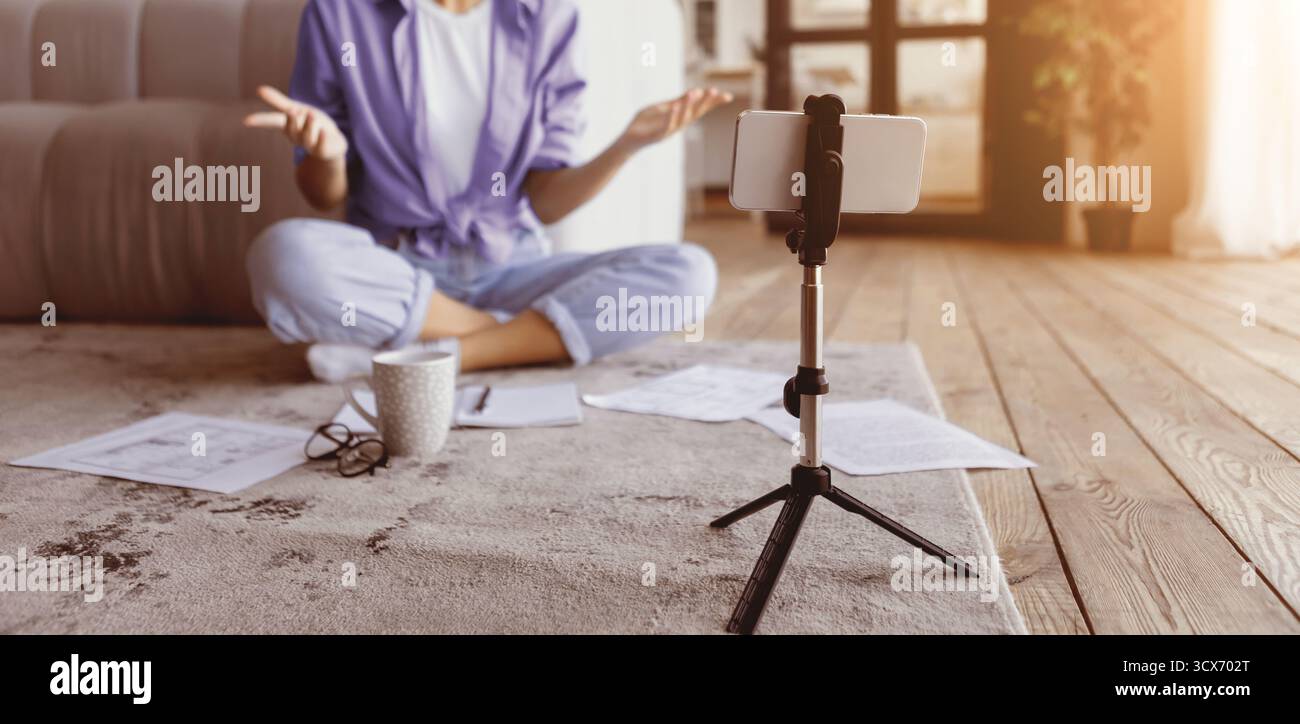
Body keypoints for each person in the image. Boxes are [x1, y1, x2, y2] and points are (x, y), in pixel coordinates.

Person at [242, 0, 730, 381]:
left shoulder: (548, 17)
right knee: (284, 255)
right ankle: (519, 338)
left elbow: (545, 202)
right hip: (397, 269)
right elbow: (323, 196)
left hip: (513, 269)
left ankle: (430, 352)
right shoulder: (338, 13)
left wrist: (624, 146)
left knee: (688, 276)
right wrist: (326, 155)